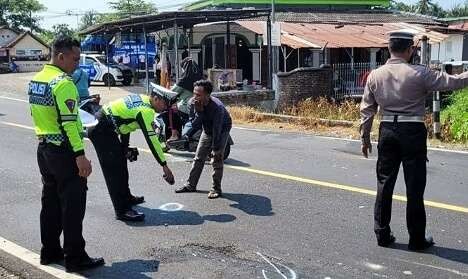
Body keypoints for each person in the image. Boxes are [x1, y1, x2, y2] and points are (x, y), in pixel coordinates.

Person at [360, 30, 468, 250]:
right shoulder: (420, 73)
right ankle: (416, 239)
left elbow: (367, 109)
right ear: (410, 50)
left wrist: (364, 138)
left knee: (384, 184)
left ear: (389, 48)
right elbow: (452, 82)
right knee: (415, 188)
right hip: (413, 130)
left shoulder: (375, 75)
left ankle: (382, 234)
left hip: (387, 130)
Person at [28, 35, 104, 272]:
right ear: (61, 56)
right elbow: (70, 122)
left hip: (44, 149)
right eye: (75, 58)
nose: (77, 64)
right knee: (72, 205)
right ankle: (75, 257)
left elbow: (42, 114)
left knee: (49, 202)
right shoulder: (64, 82)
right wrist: (80, 154)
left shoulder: (36, 80)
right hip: (64, 151)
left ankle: (49, 252)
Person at [87, 91, 175, 222]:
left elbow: (124, 123)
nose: (165, 108)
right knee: (114, 171)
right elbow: (152, 140)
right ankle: (122, 211)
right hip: (101, 130)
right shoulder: (145, 111)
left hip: (106, 125)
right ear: (156, 98)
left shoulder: (142, 98)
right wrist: (164, 166)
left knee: (121, 164)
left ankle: (126, 197)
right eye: (164, 104)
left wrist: (124, 147)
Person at [175, 80, 232, 199]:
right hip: (206, 129)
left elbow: (217, 129)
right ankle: (191, 185)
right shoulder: (192, 103)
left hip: (222, 129)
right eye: (194, 93)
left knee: (217, 159)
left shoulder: (217, 107)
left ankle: (216, 189)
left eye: (198, 95)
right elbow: (194, 125)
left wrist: (215, 149)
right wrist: (199, 112)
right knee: (198, 158)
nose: (195, 97)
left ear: (207, 95)